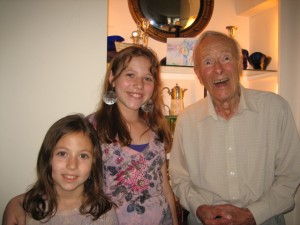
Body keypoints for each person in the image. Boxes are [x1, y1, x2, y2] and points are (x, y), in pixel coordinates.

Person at [3, 45, 178, 225]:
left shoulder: (156, 129)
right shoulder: (92, 128)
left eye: (147, 78)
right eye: (130, 74)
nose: (138, 85)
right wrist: (19, 204)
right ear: (112, 78)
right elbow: (65, 173)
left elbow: (164, 188)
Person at [169, 31, 300, 225]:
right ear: (198, 74)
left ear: (240, 64)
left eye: (226, 58)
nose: (218, 69)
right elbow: (179, 179)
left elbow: (290, 176)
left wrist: (253, 214)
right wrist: (199, 208)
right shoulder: (186, 120)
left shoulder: (275, 109)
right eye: (207, 62)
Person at [3, 114, 118, 225]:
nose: (72, 165)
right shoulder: (26, 212)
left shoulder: (105, 215)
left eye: (83, 156)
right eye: (62, 154)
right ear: (48, 158)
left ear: (93, 164)